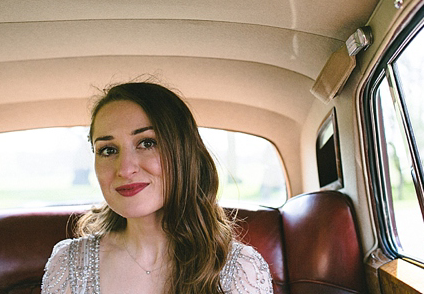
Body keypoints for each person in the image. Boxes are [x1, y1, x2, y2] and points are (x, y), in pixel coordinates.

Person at [41, 82, 273, 294]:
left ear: (183, 153)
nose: (125, 168)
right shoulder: (69, 265)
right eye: (108, 150)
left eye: (147, 143)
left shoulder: (241, 270)